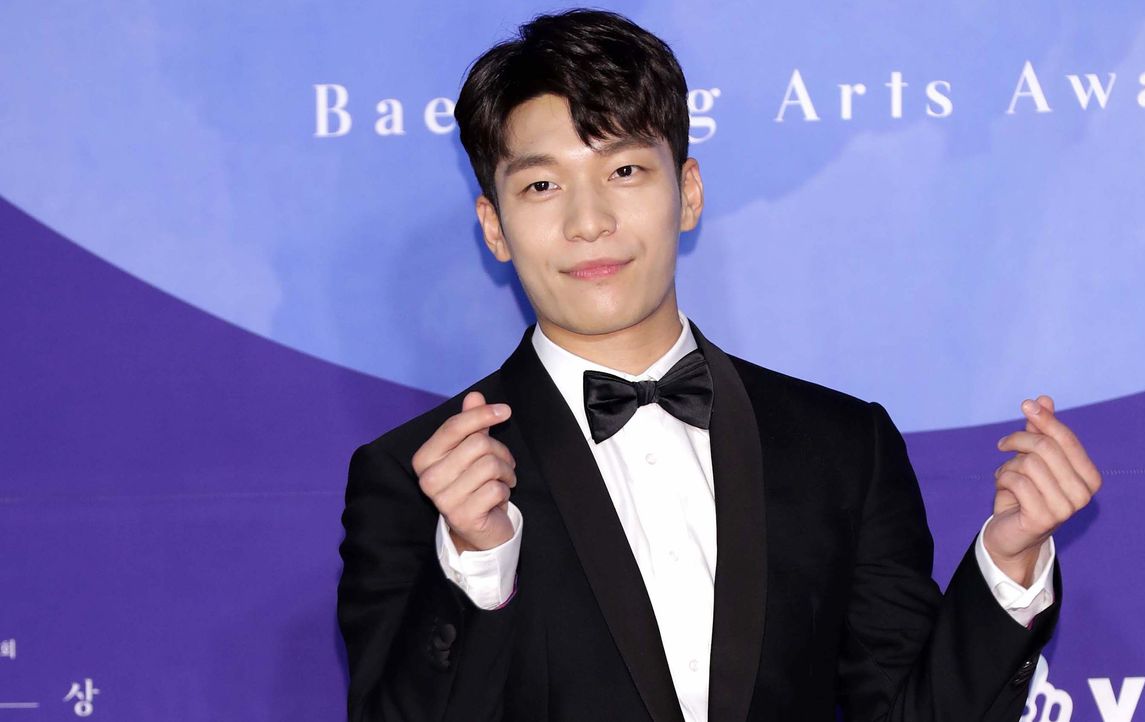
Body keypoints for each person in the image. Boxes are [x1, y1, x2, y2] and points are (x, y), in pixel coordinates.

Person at [337, 8, 1102, 722]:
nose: (589, 220)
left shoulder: (841, 448)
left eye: (625, 172)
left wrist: (1009, 562)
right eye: (541, 185)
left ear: (689, 192)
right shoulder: (415, 477)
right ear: (494, 228)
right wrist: (473, 562)